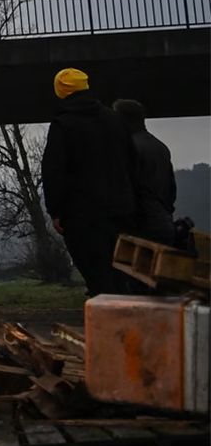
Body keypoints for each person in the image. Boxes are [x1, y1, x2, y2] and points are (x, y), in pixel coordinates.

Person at [41, 68, 140, 295]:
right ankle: (127, 320)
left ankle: (106, 321)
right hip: (120, 211)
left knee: (96, 276)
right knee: (120, 275)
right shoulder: (115, 120)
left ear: (60, 91)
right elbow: (132, 162)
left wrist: (55, 210)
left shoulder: (63, 124)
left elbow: (54, 170)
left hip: (82, 216)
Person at [113, 98, 177, 243]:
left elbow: (124, 190)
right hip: (163, 223)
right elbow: (171, 190)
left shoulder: (128, 148)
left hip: (138, 228)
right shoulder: (160, 147)